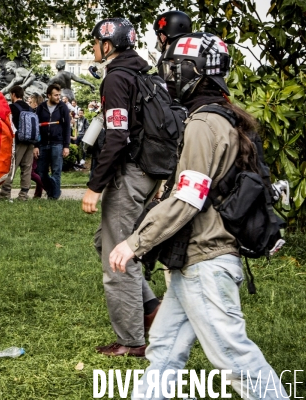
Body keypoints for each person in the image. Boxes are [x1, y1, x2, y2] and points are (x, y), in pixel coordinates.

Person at [109, 32, 289, 399]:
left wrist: (134, 242)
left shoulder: (204, 124)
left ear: (197, 72)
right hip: (194, 262)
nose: (169, 76)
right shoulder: (223, 116)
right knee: (164, 348)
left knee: (234, 358)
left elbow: (188, 198)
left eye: (175, 68)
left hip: (205, 263)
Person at [81, 18, 162, 358]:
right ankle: (150, 308)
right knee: (108, 242)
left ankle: (132, 342)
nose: (94, 49)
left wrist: (95, 186)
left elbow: (116, 135)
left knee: (118, 256)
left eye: (96, 43)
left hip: (129, 172)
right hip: (150, 171)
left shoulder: (116, 77)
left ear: (108, 45)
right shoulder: (143, 72)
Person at [34, 83, 71, 200]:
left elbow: (67, 127)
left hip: (57, 143)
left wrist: (66, 146)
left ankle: (54, 196)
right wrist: (36, 145)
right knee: (41, 172)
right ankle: (52, 190)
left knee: (56, 171)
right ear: (49, 95)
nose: (58, 97)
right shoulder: (41, 108)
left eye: (59, 95)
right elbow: (36, 127)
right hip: (43, 144)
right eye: (56, 95)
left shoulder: (62, 107)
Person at [0, 85, 35, 201]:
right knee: (27, 169)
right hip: (30, 141)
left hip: (18, 142)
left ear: (13, 94)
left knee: (11, 167)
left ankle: (5, 194)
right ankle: (23, 195)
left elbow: (8, 125)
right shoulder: (30, 108)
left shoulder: (12, 107)